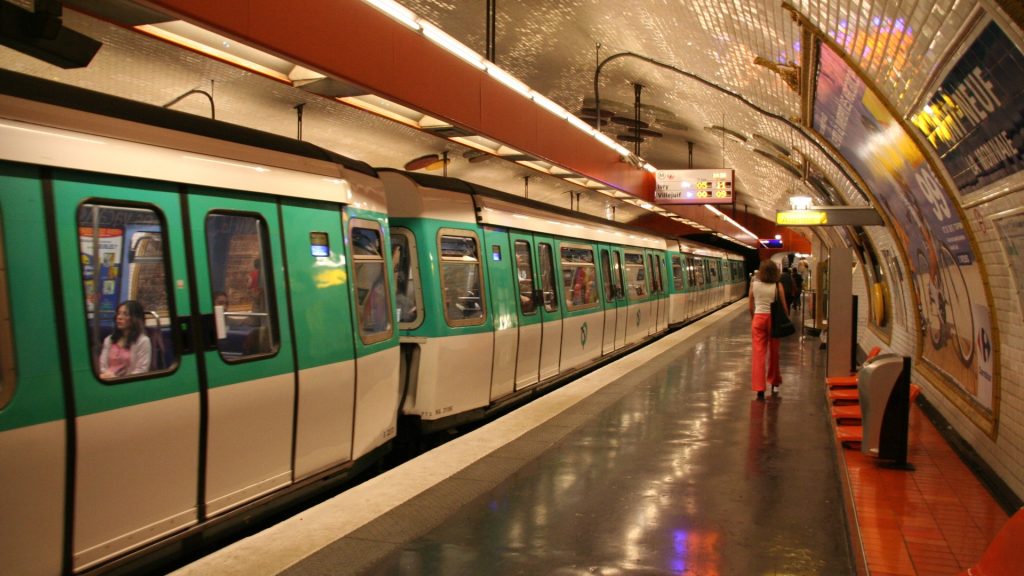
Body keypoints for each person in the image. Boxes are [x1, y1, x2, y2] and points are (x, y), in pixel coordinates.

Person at [748, 260, 788, 400]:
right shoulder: (778, 286)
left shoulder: (754, 285)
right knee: (774, 352)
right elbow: (783, 306)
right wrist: (785, 319)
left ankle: (759, 388)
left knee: (758, 354)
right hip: (774, 320)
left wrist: (754, 318)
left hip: (758, 319)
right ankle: (774, 382)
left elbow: (750, 305)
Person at [99, 300, 152, 379]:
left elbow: (142, 370)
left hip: (128, 383)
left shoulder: (143, 341)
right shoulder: (109, 339)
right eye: (118, 313)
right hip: (107, 380)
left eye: (125, 314)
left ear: (135, 318)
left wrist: (118, 379)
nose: (119, 317)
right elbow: (102, 365)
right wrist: (108, 375)